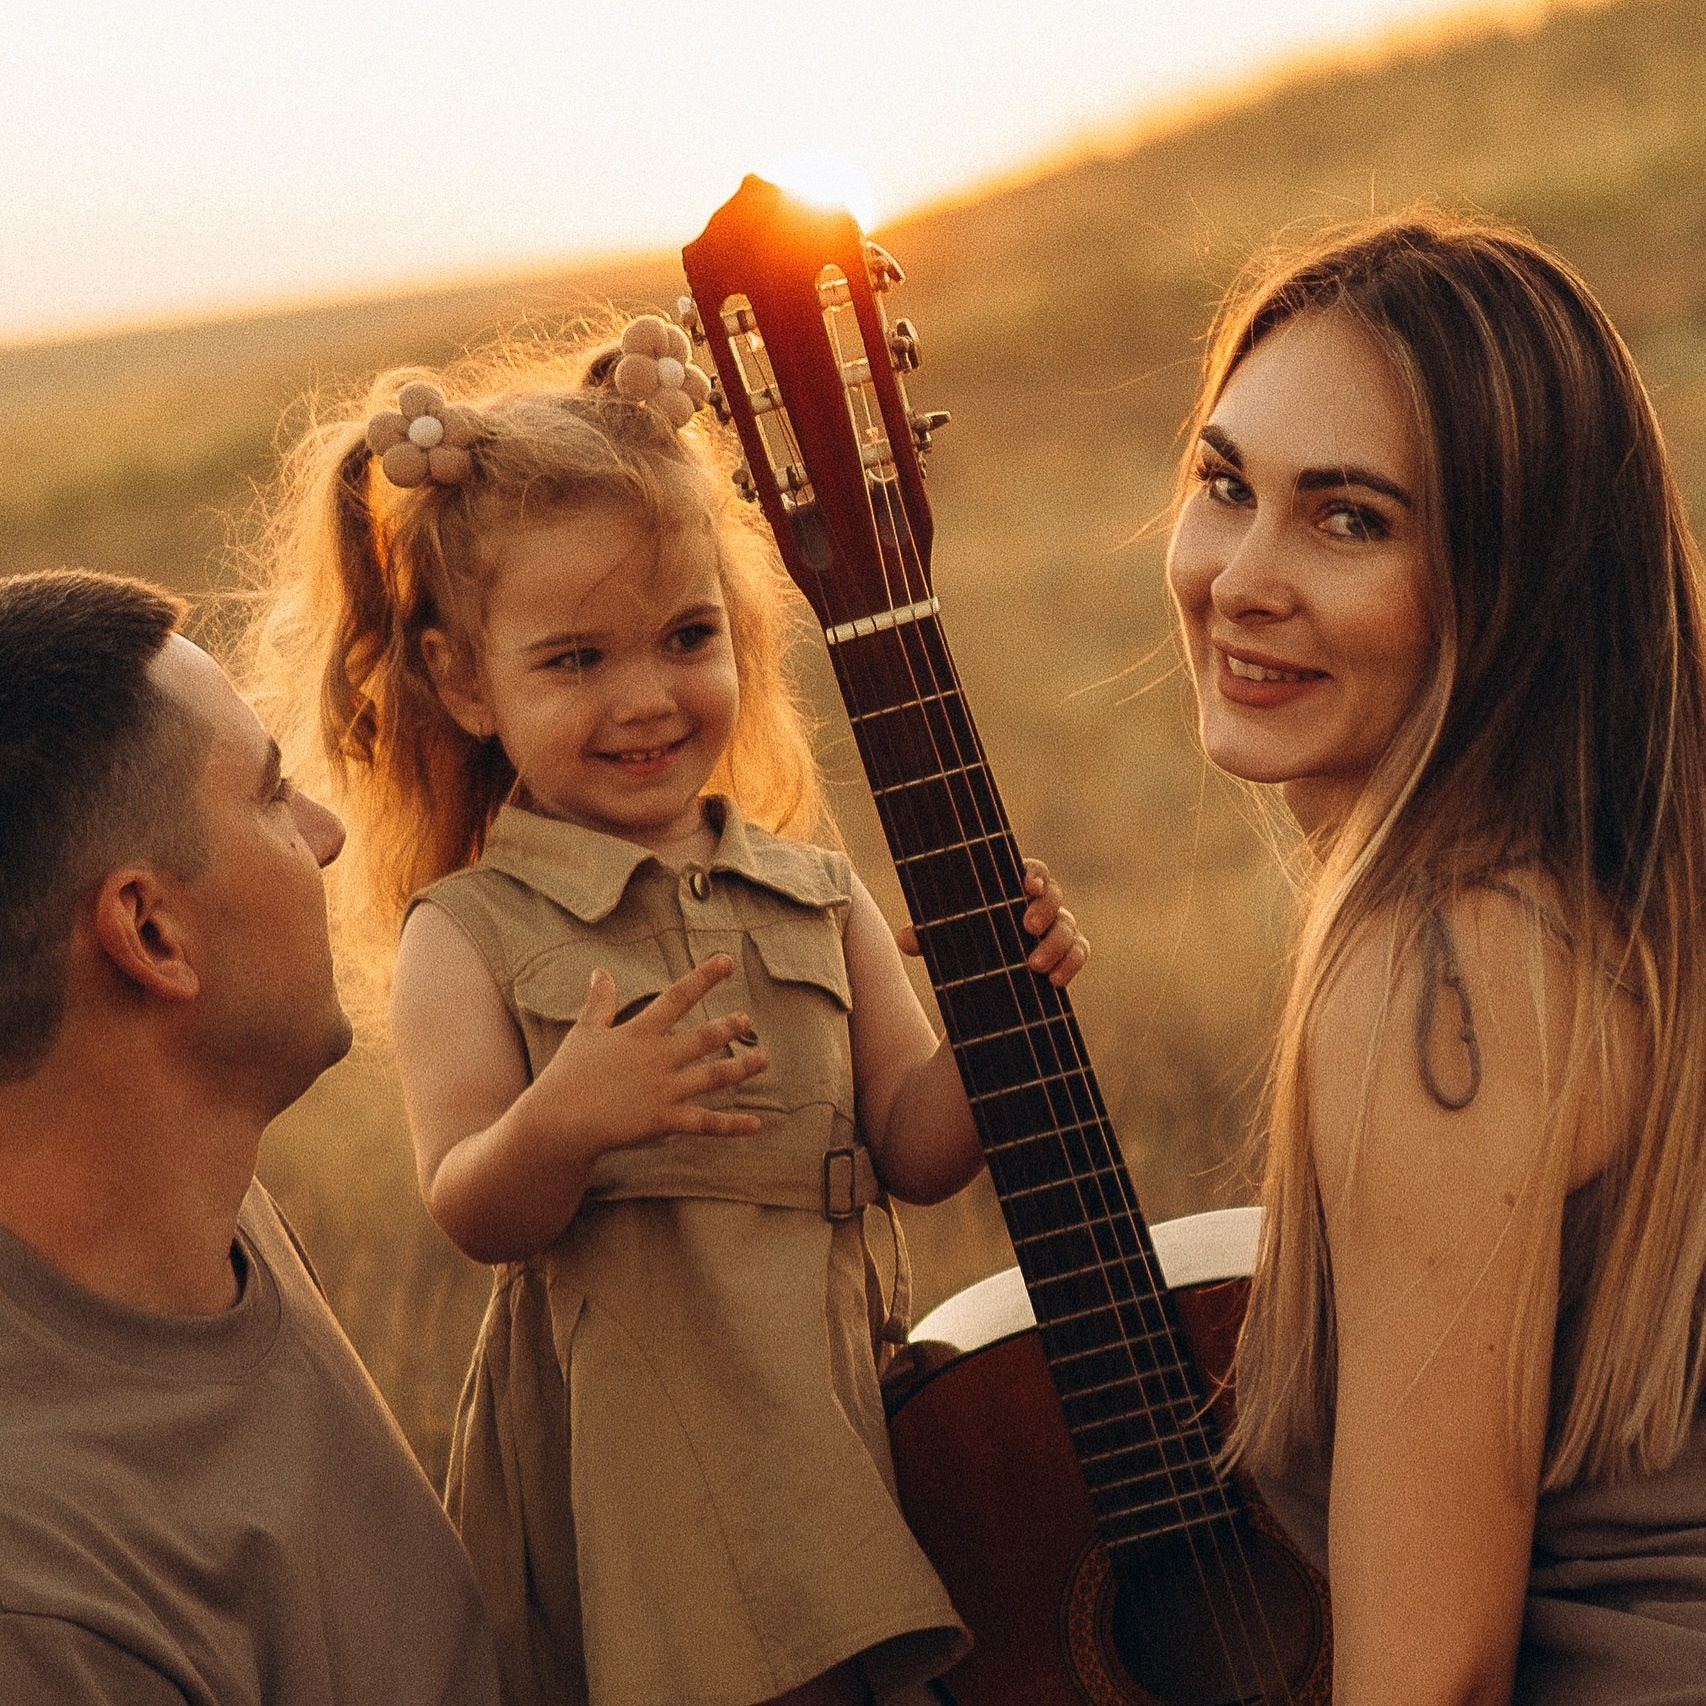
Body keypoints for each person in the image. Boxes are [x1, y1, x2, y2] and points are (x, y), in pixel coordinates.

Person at [244, 316, 1089, 1706]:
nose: (644, 696)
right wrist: (567, 1119)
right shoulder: (470, 932)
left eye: (686, 637)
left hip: (838, 1427)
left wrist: (1010, 1007)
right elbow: (472, 1204)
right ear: (464, 682)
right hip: (643, 1469)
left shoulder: (812, 887)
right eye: (573, 659)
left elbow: (918, 1148)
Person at [1164, 209, 1706, 1703]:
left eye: (1350, 518)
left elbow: (1430, 1673)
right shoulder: (1621, 893)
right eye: (1225, 485)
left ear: (1514, 577)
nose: (1237, 578)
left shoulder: (1443, 962)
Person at [0, 568, 502, 1704]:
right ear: (147, 928)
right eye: (274, 794)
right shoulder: (39, 1615)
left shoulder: (201, 1206)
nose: (325, 836)